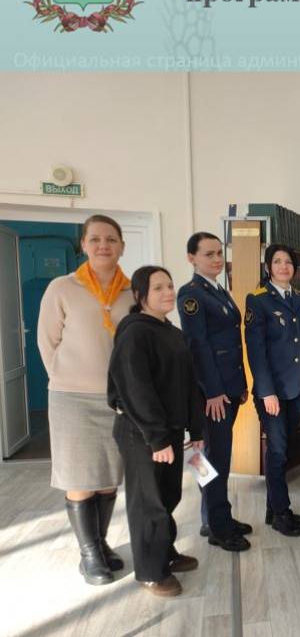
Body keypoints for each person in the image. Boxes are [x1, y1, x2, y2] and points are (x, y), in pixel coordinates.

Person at [37, 214, 133, 586]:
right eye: (95, 239)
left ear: (122, 246)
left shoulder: (131, 292)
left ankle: (101, 542)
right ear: (84, 245)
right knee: (79, 476)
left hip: (116, 399)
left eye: (111, 239)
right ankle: (88, 553)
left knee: (108, 478)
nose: (103, 245)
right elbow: (48, 341)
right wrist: (65, 377)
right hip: (73, 399)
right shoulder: (63, 287)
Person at [107, 266, 205, 597]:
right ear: (140, 295)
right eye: (159, 287)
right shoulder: (135, 332)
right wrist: (157, 438)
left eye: (170, 285)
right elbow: (137, 389)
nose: (168, 292)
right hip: (142, 434)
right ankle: (151, 572)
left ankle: (165, 552)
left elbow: (189, 383)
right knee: (148, 503)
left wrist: (196, 429)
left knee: (168, 497)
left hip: (169, 430)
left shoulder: (171, 332)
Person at [178, 232, 251, 553]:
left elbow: (231, 343)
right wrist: (213, 391)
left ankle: (213, 517)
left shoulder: (218, 289)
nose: (217, 259)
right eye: (209, 254)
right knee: (213, 458)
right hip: (213, 393)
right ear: (191, 258)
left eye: (219, 253)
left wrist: (240, 385)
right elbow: (198, 345)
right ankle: (219, 527)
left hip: (228, 387)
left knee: (209, 456)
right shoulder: (191, 294)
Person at [244, 243, 300, 537]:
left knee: (284, 450)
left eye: (288, 262)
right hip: (271, 392)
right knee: (278, 449)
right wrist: (266, 391)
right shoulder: (258, 300)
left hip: (297, 390)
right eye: (277, 261)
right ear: (268, 267)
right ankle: (282, 513)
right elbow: (256, 350)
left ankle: (274, 509)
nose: (284, 266)